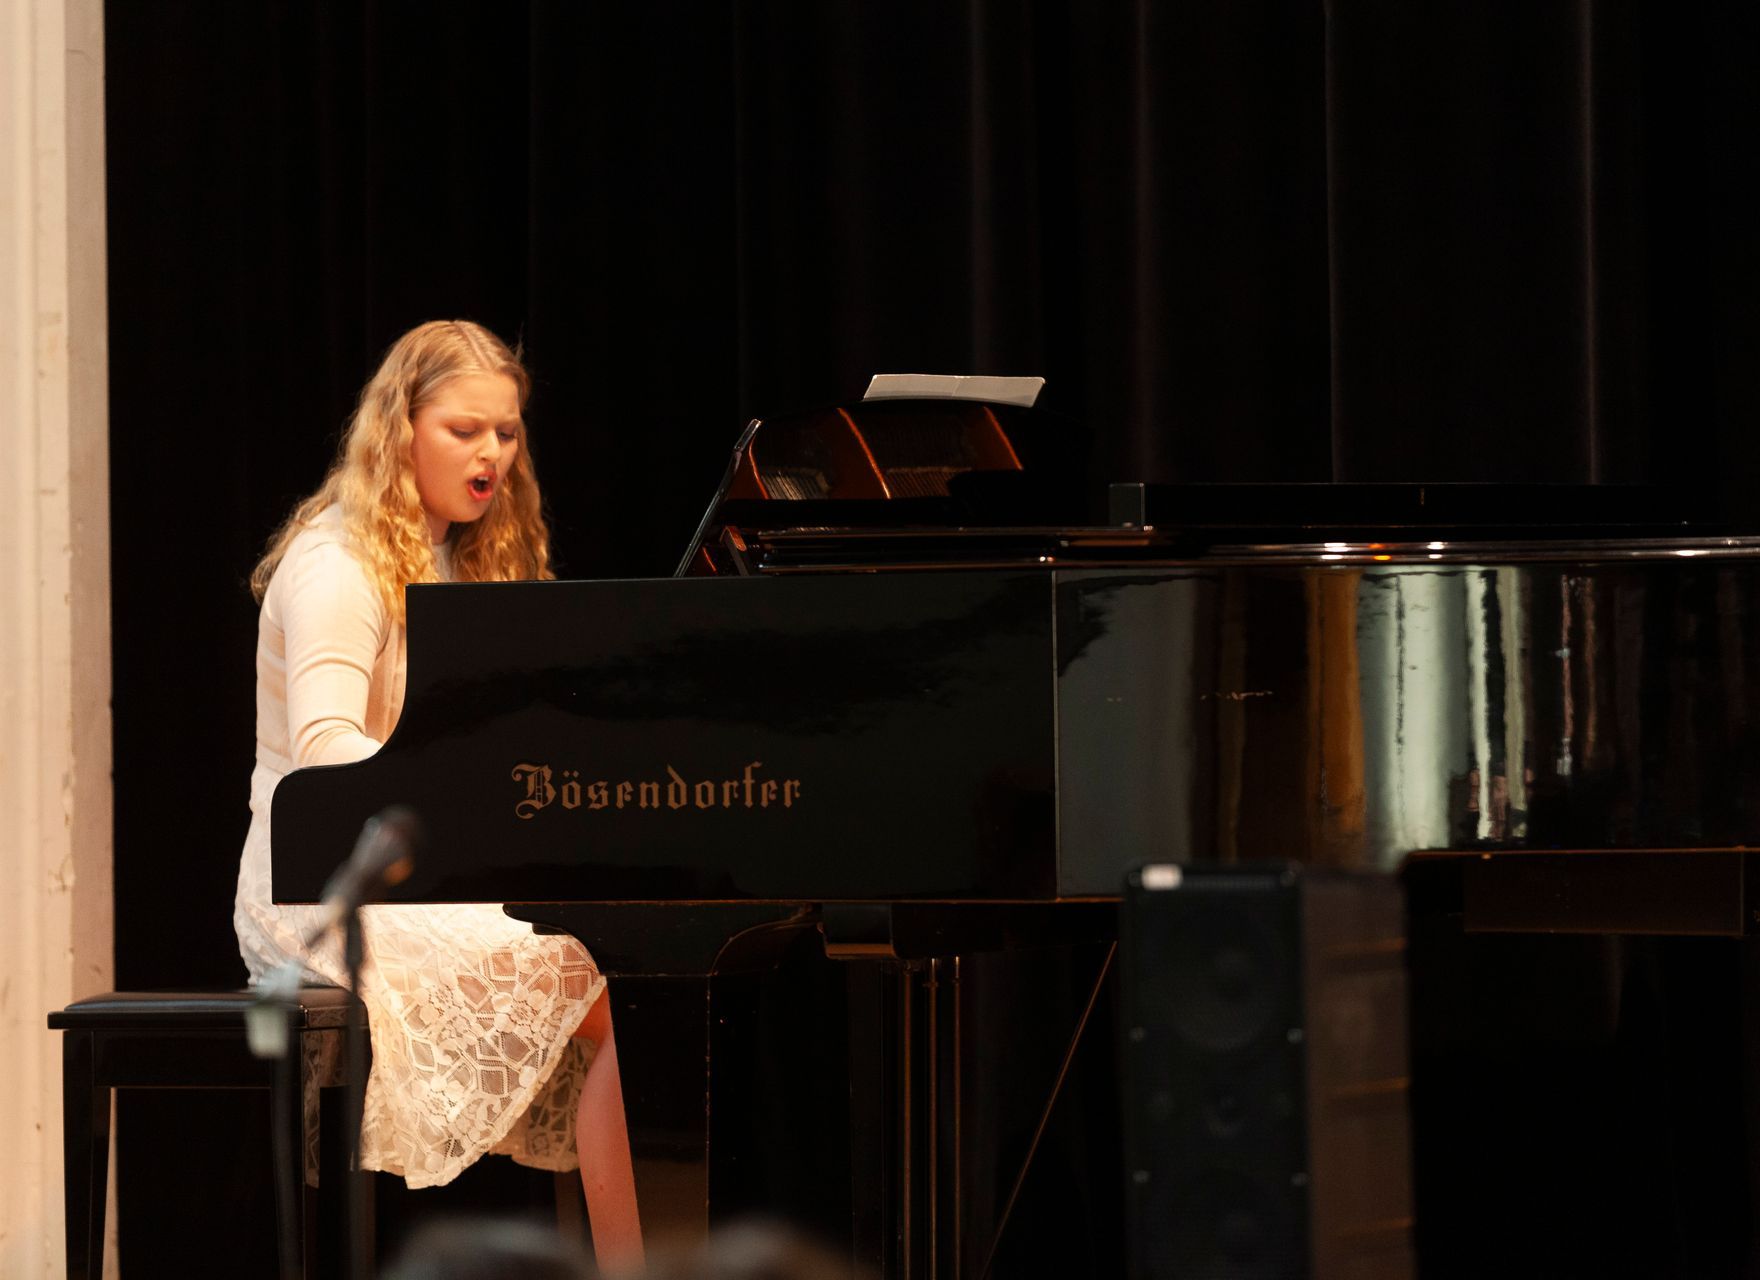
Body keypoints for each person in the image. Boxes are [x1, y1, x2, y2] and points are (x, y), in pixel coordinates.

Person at [233, 319, 643, 1271]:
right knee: (591, 978)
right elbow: (326, 754)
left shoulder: (451, 553)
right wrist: (464, 799)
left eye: (506, 431)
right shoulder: (337, 567)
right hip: (318, 891)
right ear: (400, 431)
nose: (493, 452)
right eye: (465, 429)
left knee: (608, 963)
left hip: (413, 870)